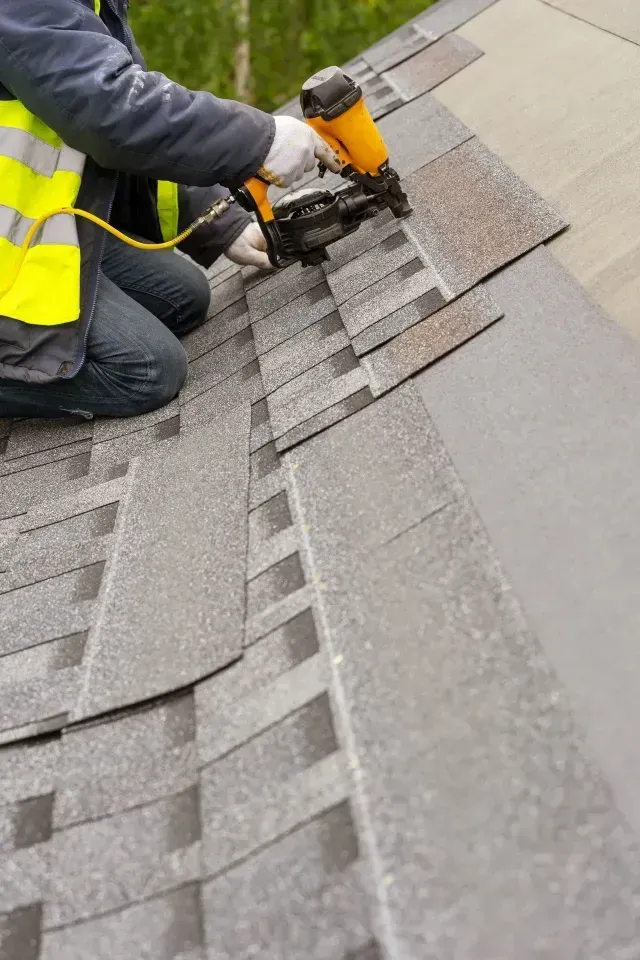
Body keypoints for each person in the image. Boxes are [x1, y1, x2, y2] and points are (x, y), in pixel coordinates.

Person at [0, 0, 339, 418]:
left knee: (184, 298)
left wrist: (221, 221)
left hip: (25, 235)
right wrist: (259, 142)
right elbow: (111, 112)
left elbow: (130, 137)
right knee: (145, 370)